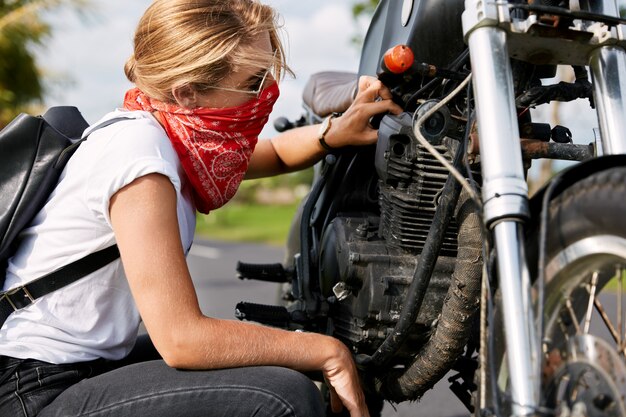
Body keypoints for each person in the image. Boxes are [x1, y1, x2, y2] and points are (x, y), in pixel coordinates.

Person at [0, 0, 401, 416]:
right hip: (34, 387)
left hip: (78, 366)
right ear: (187, 92)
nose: (266, 93)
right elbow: (181, 339)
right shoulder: (139, 157)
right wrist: (328, 352)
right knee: (285, 397)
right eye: (253, 80)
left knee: (273, 357)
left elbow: (277, 153)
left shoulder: (170, 133)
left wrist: (336, 131)